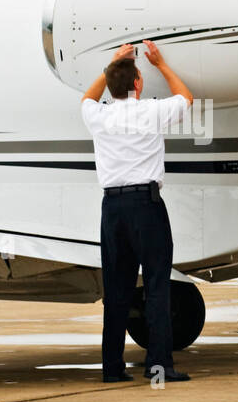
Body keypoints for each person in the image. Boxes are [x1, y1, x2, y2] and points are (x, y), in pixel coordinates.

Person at [81, 40, 194, 383]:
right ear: (138, 85)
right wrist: (161, 63)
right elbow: (186, 98)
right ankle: (159, 366)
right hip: (146, 206)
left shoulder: (98, 116)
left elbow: (87, 98)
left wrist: (111, 64)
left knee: (116, 290)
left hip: (112, 208)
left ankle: (112, 369)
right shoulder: (151, 111)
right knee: (157, 286)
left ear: (111, 85)